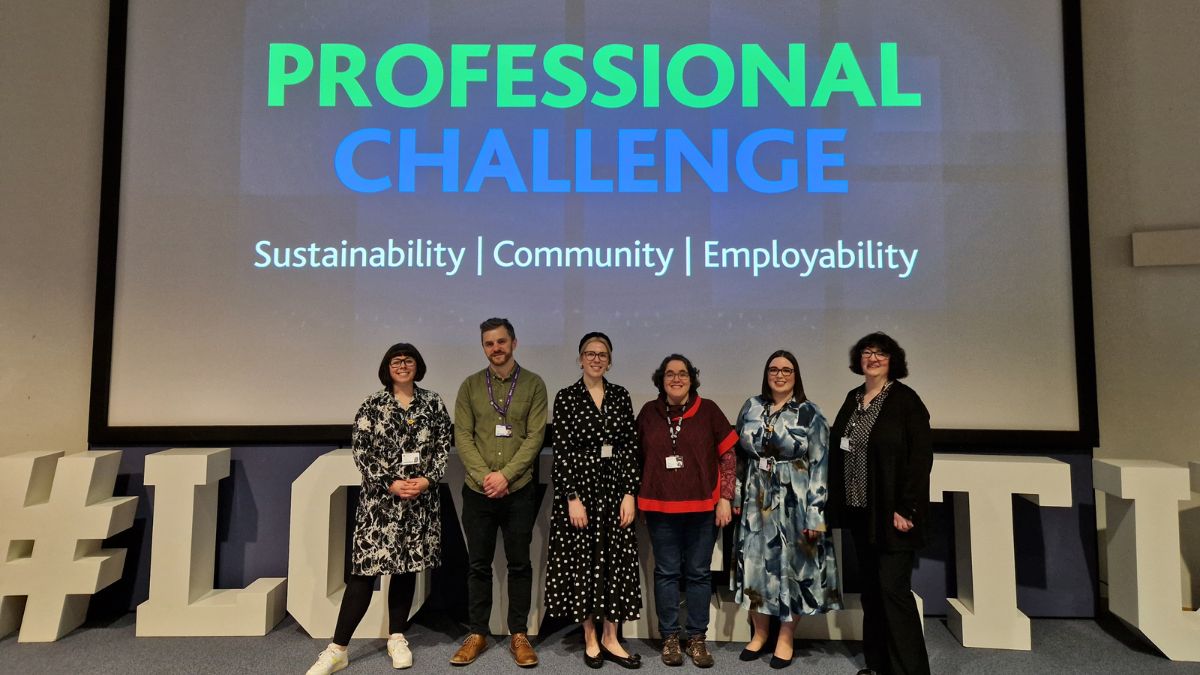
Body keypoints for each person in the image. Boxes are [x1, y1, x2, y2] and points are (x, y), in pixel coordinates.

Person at [306, 343, 451, 675]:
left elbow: (444, 444)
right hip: (380, 505)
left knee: (405, 570)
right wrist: (390, 482)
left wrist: (428, 479)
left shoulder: (432, 402)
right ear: (387, 367)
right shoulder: (372, 404)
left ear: (418, 365)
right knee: (363, 576)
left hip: (419, 502)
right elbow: (361, 451)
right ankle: (337, 649)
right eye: (396, 361)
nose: (402, 366)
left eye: (408, 360)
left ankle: (396, 637)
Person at [827, 333, 933, 675]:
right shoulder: (854, 397)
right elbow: (839, 448)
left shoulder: (905, 400)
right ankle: (878, 665)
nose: (872, 358)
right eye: (867, 352)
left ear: (892, 360)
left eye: (880, 353)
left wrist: (907, 508)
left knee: (893, 592)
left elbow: (920, 459)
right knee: (872, 593)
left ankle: (910, 671)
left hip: (892, 515)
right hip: (861, 513)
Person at [732, 350, 841, 669]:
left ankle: (785, 637)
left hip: (796, 500)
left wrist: (816, 511)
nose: (779, 375)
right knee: (755, 566)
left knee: (791, 568)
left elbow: (821, 464)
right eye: (774, 369)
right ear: (766, 374)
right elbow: (739, 455)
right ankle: (760, 633)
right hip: (756, 499)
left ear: (796, 375)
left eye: (787, 370)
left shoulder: (811, 413)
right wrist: (737, 495)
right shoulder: (751, 406)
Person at [451, 318, 548, 668]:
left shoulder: (534, 385)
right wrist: (485, 476)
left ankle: (519, 634)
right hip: (478, 492)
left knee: (519, 564)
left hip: (519, 490)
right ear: (483, 347)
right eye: (489, 343)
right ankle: (477, 633)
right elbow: (463, 436)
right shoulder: (470, 386)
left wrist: (505, 476)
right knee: (478, 565)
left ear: (514, 343)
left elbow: (535, 437)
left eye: (502, 341)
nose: (496, 348)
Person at [545, 332, 642, 669]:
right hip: (580, 493)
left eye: (602, 354)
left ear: (610, 360)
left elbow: (630, 448)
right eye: (590, 353)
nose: (596, 359)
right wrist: (571, 497)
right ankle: (589, 635)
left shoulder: (620, 395)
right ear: (580, 358)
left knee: (615, 562)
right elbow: (563, 453)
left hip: (615, 490)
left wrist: (630, 493)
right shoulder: (567, 397)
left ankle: (611, 637)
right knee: (582, 563)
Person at [636, 354, 737, 668]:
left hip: (702, 508)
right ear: (661, 379)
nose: (676, 379)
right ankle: (669, 638)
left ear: (692, 379)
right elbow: (633, 457)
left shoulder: (709, 411)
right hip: (659, 507)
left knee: (698, 574)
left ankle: (696, 638)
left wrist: (725, 497)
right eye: (670, 374)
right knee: (666, 573)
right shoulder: (649, 413)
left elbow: (728, 457)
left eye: (682, 373)